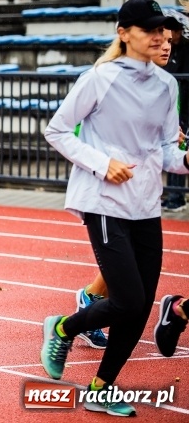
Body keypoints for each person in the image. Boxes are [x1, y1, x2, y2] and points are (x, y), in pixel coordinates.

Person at [40, 0, 188, 417]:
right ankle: (65, 327)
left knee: (140, 305)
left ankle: (101, 387)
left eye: (162, 29)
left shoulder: (167, 85)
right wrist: (103, 164)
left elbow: (164, 152)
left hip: (147, 205)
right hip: (103, 201)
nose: (159, 36)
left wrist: (186, 160)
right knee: (127, 300)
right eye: (148, 29)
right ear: (124, 34)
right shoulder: (99, 78)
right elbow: (58, 130)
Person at [73, 25, 181, 350]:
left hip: (143, 192)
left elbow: (164, 139)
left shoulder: (166, 84)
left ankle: (91, 303)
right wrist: (103, 159)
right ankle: (84, 309)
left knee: (131, 271)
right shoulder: (106, 80)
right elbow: (72, 128)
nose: (165, 47)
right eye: (159, 39)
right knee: (129, 284)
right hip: (110, 187)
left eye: (170, 43)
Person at [161, 1, 189, 211]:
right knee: (170, 147)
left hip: (185, 108)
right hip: (172, 106)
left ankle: (177, 197)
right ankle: (172, 194)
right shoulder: (168, 50)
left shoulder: (186, 51)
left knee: (178, 148)